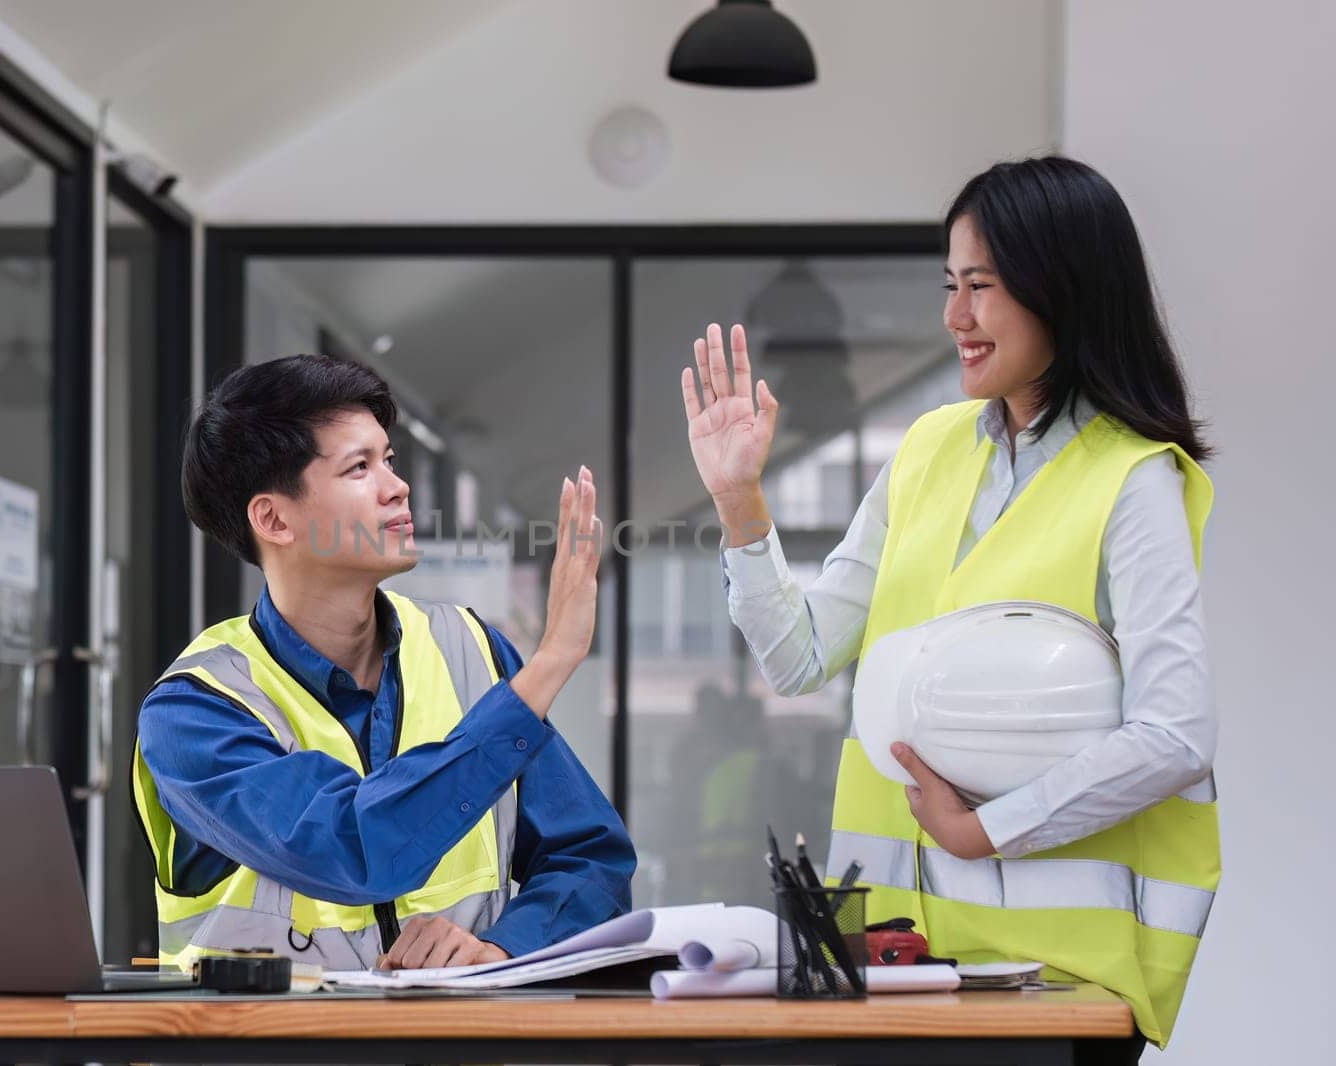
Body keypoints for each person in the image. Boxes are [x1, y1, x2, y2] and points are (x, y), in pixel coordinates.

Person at [681, 156, 1217, 1056]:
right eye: (948, 285)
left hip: (1060, 984)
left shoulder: (1135, 480)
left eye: (980, 286)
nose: (953, 317)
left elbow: (1177, 734)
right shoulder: (926, 450)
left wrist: (988, 830)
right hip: (903, 963)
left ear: (1062, 289)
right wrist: (739, 503)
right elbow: (800, 659)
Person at [135, 354, 634, 973]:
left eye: (389, 460)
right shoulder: (196, 709)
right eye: (359, 467)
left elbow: (592, 858)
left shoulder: (471, 650)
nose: (396, 487)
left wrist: (501, 946)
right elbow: (350, 849)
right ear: (272, 518)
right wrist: (552, 661)